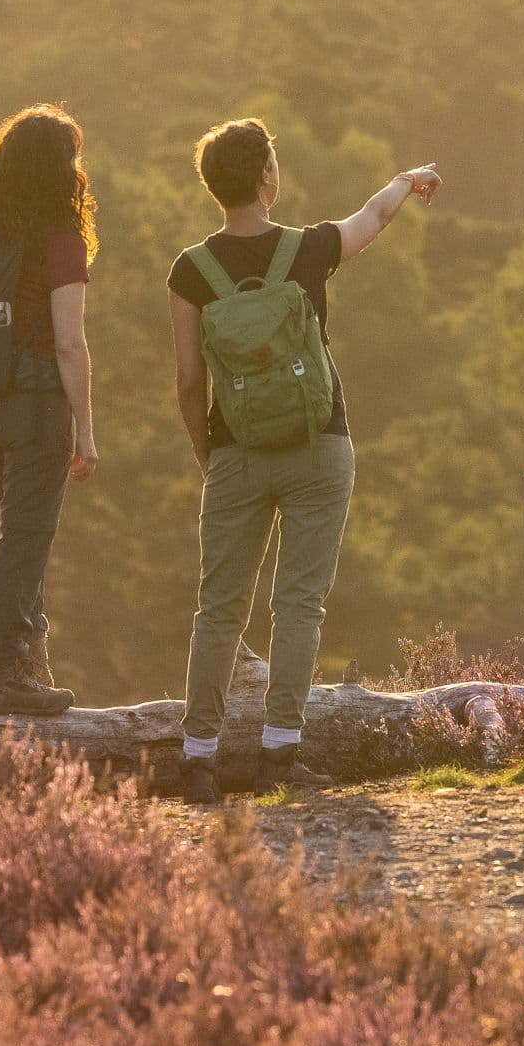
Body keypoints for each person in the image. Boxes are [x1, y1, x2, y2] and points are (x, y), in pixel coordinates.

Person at [167, 119, 439, 802]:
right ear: (266, 176)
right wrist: (408, 181)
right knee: (299, 605)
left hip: (235, 452)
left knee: (219, 609)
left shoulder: (191, 271)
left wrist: (212, 454)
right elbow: (373, 216)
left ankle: (197, 756)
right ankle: (280, 755)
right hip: (319, 445)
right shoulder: (309, 249)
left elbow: (187, 380)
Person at [0, 106, 101, 717]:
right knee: (27, 535)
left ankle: (30, 665)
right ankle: (4, 673)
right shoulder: (60, 239)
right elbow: (69, 341)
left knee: (19, 533)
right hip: (38, 401)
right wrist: (85, 428)